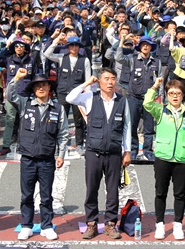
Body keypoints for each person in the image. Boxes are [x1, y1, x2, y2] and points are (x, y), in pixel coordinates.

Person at [66, 70, 131, 240]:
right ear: (99, 82)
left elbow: (127, 127)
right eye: (106, 79)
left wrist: (128, 151)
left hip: (114, 153)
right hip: (93, 152)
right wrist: (87, 83)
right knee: (91, 189)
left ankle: (110, 224)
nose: (110, 82)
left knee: (112, 191)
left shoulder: (122, 101)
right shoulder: (90, 98)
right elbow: (70, 98)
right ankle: (91, 223)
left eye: (113, 79)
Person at [7, 70, 68, 241]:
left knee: (46, 195)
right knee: (26, 195)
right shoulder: (25, 104)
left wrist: (61, 154)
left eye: (44, 84)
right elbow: (10, 94)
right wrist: (17, 78)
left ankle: (46, 226)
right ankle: (26, 225)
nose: (41, 87)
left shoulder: (58, 108)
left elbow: (63, 134)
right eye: (37, 85)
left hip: (47, 159)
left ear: (50, 87)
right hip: (27, 159)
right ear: (33, 89)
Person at [144, 77, 185, 240]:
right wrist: (155, 86)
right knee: (160, 192)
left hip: (182, 158)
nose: (175, 96)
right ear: (167, 95)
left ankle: (178, 225)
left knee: (180, 194)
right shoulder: (160, 110)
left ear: (183, 95)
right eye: (171, 93)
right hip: (163, 156)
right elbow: (147, 102)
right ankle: (160, 224)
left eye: (178, 93)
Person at [44, 34, 91, 156]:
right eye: (71, 45)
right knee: (58, 119)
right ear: (68, 46)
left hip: (77, 95)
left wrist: (87, 96)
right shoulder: (61, 57)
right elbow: (46, 54)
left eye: (76, 45)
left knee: (78, 121)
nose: (74, 48)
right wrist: (56, 41)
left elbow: (88, 80)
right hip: (63, 92)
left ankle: (79, 144)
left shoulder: (84, 60)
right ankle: (58, 144)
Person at [116, 35, 161, 161]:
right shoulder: (133, 59)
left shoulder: (156, 62)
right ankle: (133, 150)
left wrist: (159, 97)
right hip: (134, 97)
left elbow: (160, 79)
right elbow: (118, 57)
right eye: (143, 44)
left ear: (151, 47)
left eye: (148, 44)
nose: (146, 46)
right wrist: (122, 39)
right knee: (132, 125)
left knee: (149, 127)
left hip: (149, 99)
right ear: (140, 46)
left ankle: (148, 150)